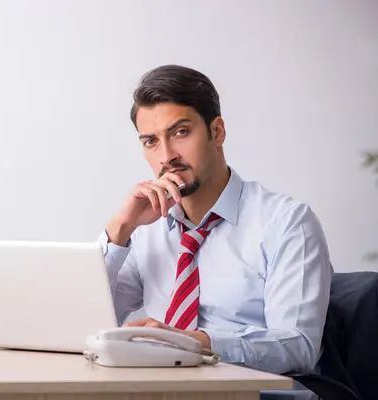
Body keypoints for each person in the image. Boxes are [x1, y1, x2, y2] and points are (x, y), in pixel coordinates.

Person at [97, 65, 333, 399]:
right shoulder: (147, 229)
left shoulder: (287, 223)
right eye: (151, 141)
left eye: (180, 132)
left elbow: (298, 345)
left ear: (217, 131)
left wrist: (193, 344)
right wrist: (118, 230)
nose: (166, 156)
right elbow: (90, 320)